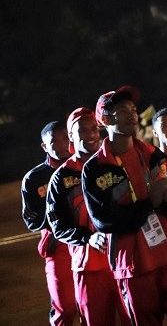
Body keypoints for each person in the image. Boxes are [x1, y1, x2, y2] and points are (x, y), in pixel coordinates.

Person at [82, 86, 167, 326]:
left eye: (133, 109)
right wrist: (151, 202)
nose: (132, 114)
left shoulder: (153, 155)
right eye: (122, 111)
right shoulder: (95, 169)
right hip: (135, 267)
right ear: (105, 119)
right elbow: (104, 221)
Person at [46, 107, 127, 326]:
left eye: (94, 129)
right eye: (83, 130)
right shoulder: (61, 177)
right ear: (71, 136)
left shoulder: (113, 165)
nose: (91, 134)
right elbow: (58, 226)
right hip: (89, 268)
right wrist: (88, 238)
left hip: (124, 261)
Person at [21, 120, 77, 326]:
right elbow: (31, 219)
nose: (63, 145)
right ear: (45, 146)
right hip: (58, 247)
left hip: (88, 243)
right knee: (66, 307)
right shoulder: (34, 179)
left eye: (66, 139)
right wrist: (57, 220)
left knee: (92, 303)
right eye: (55, 141)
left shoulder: (84, 166)